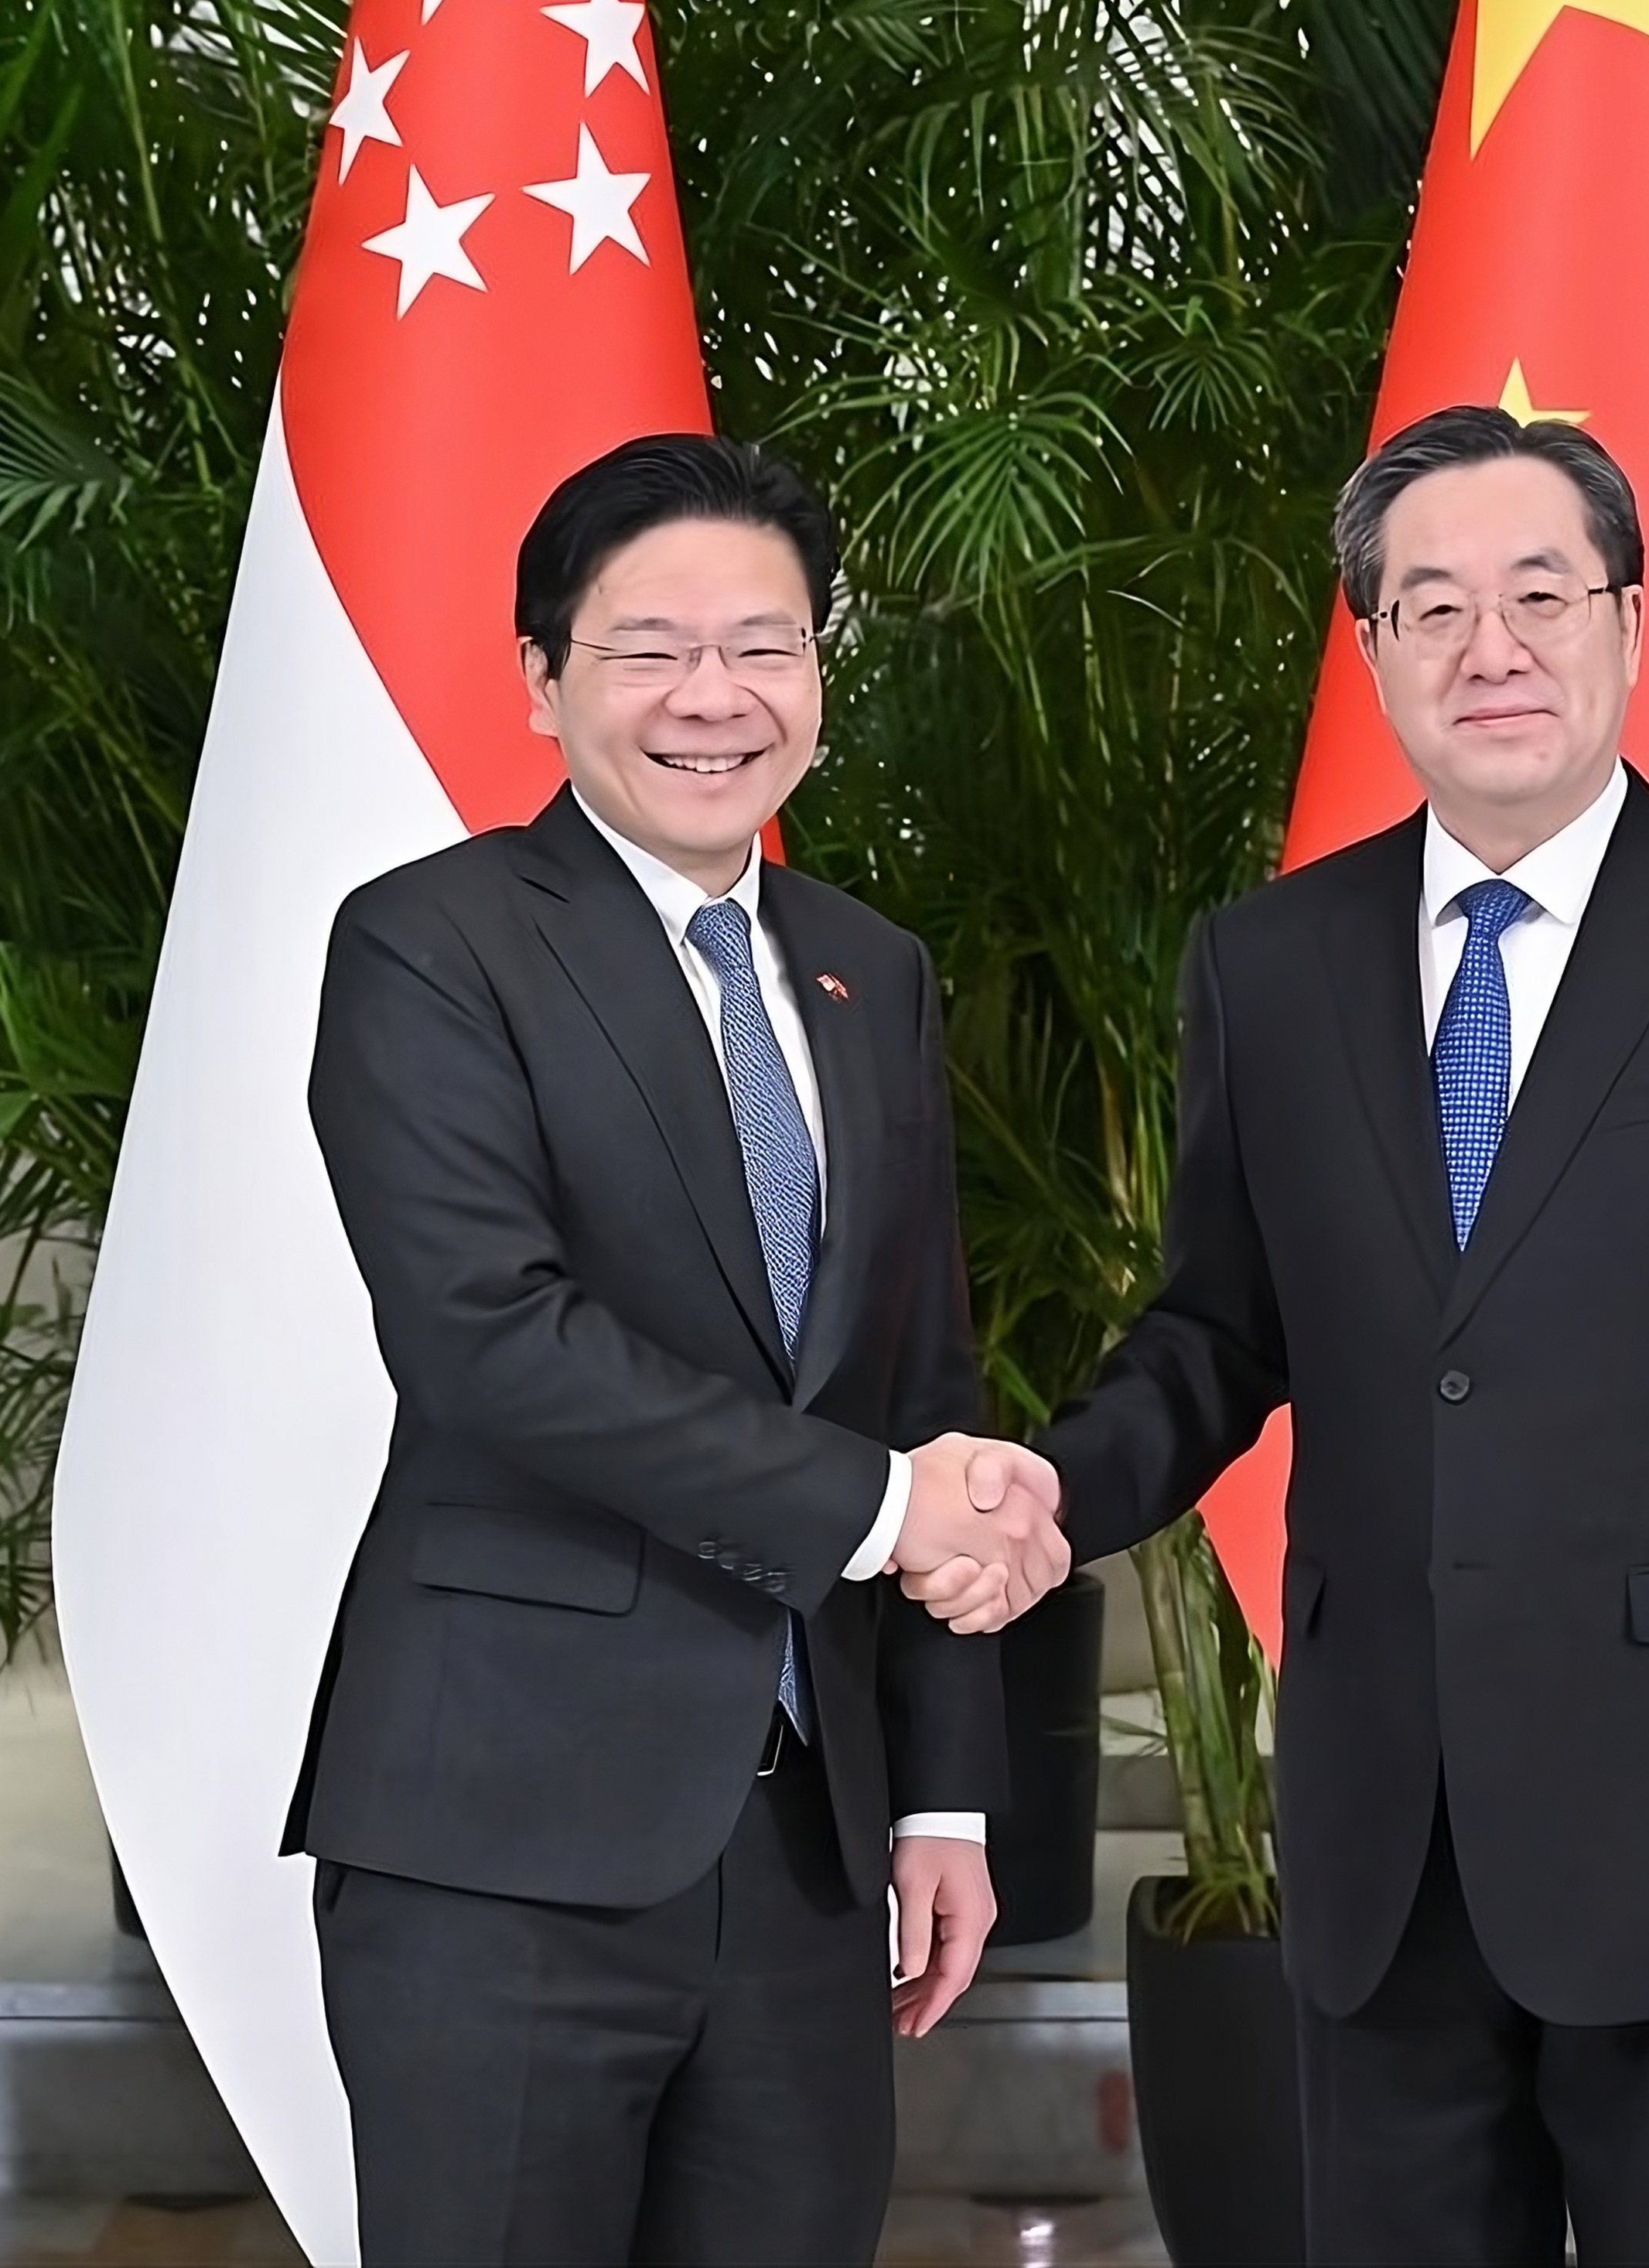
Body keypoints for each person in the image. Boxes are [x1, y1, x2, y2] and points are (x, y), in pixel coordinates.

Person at [911, 405, 1649, 2265]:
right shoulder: (1272, 960)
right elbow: (1221, 1329)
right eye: (1434, 606)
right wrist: (1055, 1493)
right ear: (1378, 651)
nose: (1494, 647)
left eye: (1541, 594)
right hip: (1385, 1837)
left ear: (1630, 625)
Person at [288, 433, 1070, 2266]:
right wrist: (885, 1506)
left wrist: (943, 1793)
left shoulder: (868, 966)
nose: (712, 696)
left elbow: (923, 1383)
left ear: (817, 674)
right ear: (543, 677)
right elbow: (494, 1338)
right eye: (647, 646)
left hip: (809, 1852)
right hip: (504, 1842)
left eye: (765, 644)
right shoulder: (431, 944)